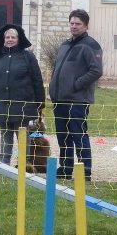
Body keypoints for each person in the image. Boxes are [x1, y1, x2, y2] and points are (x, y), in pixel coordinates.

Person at [49, 9, 103, 181]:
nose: (74, 26)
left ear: (86, 25)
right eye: (72, 23)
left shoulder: (91, 45)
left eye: (78, 24)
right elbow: (58, 69)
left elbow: (96, 71)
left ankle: (84, 170)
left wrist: (75, 85)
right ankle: (65, 167)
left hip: (77, 100)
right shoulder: (65, 45)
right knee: (62, 136)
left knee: (78, 135)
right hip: (60, 99)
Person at [0, 24, 45, 165]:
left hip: (22, 104)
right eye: (7, 37)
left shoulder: (28, 57)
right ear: (3, 39)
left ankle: (25, 163)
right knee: (5, 135)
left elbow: (37, 79)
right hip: (1, 103)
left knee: (22, 135)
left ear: (18, 39)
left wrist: (40, 102)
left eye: (13, 37)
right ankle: (3, 164)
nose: (10, 39)